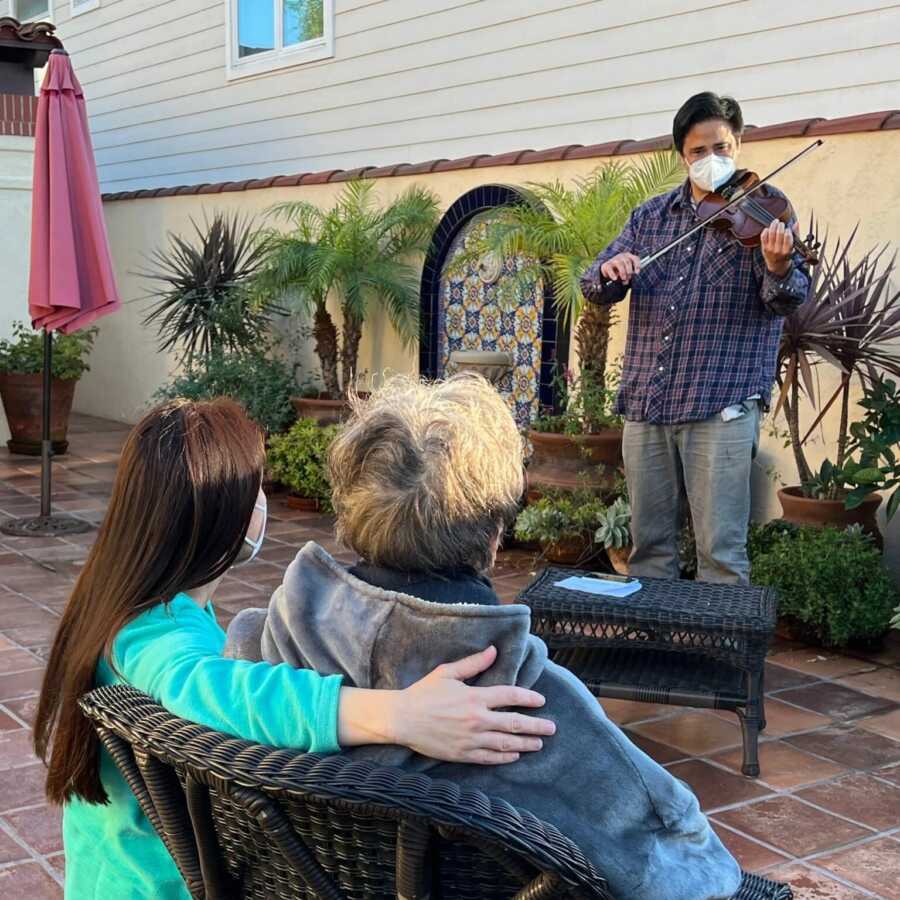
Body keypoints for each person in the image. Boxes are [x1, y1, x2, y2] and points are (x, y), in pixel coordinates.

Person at [226, 376, 742, 900]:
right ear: (494, 535)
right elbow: (688, 872)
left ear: (351, 512)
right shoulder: (535, 705)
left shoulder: (254, 651)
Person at [33, 398, 556, 900]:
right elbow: (209, 688)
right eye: (256, 489)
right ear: (224, 514)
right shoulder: (157, 631)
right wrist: (396, 715)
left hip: (111, 873)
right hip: (159, 886)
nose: (264, 501)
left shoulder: (127, 597)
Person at [580, 92, 811, 584]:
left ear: (740, 144)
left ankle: (716, 659)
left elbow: (789, 299)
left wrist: (777, 264)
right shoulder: (651, 217)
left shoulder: (765, 213)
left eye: (722, 148)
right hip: (649, 402)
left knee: (721, 553)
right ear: (682, 155)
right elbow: (594, 285)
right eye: (698, 151)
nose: (711, 160)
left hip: (720, 404)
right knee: (649, 550)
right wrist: (611, 269)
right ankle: (654, 648)